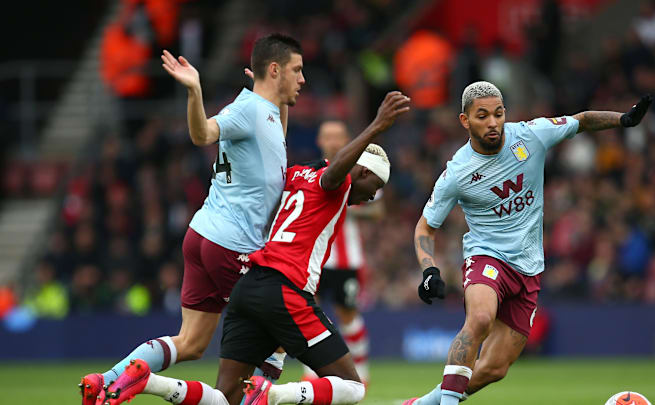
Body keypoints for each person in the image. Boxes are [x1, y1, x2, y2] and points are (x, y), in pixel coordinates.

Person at [100, 90, 410, 405]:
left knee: (225, 399)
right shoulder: (338, 183)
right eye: (377, 186)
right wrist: (376, 125)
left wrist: (278, 103)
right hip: (286, 289)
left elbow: (280, 151)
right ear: (363, 172)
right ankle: (271, 394)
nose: (373, 196)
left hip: (248, 287)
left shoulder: (294, 176)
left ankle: (147, 380)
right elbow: (335, 176)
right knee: (353, 387)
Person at [79, 33, 305, 405]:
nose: (302, 79)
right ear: (276, 70)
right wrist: (194, 91)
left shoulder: (265, 111)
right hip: (232, 245)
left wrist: (276, 92)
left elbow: (274, 136)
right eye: (296, 70)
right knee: (282, 320)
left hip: (203, 235)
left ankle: (105, 381)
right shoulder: (246, 110)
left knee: (191, 343)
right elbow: (203, 134)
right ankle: (252, 399)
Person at [405, 81, 651, 405]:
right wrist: (429, 270)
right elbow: (425, 226)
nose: (493, 122)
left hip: (530, 267)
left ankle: (421, 404)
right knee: (479, 319)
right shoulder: (457, 172)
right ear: (465, 121)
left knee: (494, 368)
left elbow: (581, 120)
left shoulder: (531, 135)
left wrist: (623, 120)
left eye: (498, 113)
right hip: (487, 258)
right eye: (482, 116)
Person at [302, 121, 384, 383]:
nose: (334, 141)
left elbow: (377, 210)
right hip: (315, 259)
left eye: (338, 136)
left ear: (348, 138)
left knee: (347, 314)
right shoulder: (313, 170)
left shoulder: (362, 170)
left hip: (347, 260)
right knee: (309, 312)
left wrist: (344, 204)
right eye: (328, 136)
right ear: (319, 140)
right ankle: (311, 374)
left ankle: (362, 373)